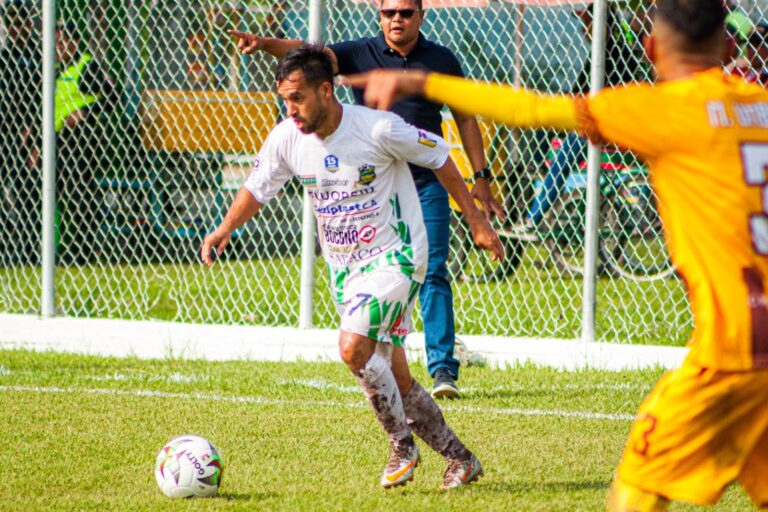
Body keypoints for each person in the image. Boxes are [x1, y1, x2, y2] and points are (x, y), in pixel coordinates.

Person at [347, 0, 768, 508]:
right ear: (727, 46)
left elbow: (531, 109)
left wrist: (422, 84)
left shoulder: (661, 108)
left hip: (739, 347)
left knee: (639, 487)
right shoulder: (760, 103)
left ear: (651, 47)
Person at [201, 45, 503, 489]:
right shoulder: (287, 137)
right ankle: (461, 459)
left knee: (352, 349)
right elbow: (259, 186)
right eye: (285, 99)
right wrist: (224, 227)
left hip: (397, 255)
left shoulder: (378, 129)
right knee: (395, 377)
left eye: (298, 98)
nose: (291, 109)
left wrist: (476, 222)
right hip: (347, 269)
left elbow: (439, 154)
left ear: (326, 90)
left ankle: (401, 443)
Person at [228, 0, 504, 398]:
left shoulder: (442, 59)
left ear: (421, 16)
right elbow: (308, 59)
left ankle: (443, 370)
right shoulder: (360, 52)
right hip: (370, 184)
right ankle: (393, 364)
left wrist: (481, 179)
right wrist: (266, 42)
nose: (396, 19)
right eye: (389, 12)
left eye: (405, 12)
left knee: (434, 269)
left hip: (426, 180)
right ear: (379, 16)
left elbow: (464, 118)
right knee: (374, 274)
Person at [515, 4, 642, 239]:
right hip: (594, 118)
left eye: (586, 23)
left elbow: (586, 94)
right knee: (547, 122)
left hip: (606, 125)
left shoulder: (611, 52)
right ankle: (536, 166)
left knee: (565, 155)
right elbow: (579, 91)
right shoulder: (603, 50)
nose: (583, 29)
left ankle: (533, 217)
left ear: (600, 23)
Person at [54, 21, 113, 264]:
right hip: (58, 140)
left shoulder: (86, 66)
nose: (57, 48)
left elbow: (111, 94)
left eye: (60, 42)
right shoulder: (57, 70)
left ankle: (83, 249)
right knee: (55, 192)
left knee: (79, 192)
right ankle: (58, 246)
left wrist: (85, 113)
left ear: (73, 42)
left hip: (82, 138)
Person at [0, 1, 41, 264]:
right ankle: (5, 246)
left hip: (25, 134)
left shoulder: (37, 58)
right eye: (10, 23)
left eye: (19, 23)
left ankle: (29, 250)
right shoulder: (4, 57)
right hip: (5, 132)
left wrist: (34, 132)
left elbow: (42, 98)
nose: (14, 29)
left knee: (27, 193)